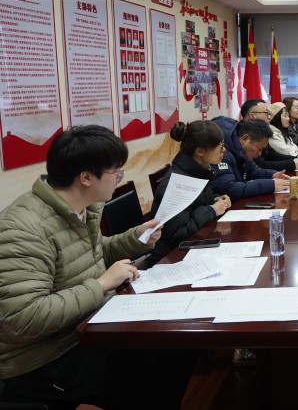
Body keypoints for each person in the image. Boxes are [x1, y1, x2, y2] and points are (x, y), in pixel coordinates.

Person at [0, 125, 196, 409]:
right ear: (86, 177)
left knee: (175, 343)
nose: (120, 177)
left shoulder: (80, 206)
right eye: (116, 172)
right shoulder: (24, 230)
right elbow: (22, 319)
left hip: (86, 328)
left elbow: (91, 253)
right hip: (45, 360)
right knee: (160, 364)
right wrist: (102, 284)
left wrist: (135, 238)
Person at [145, 120, 232, 267]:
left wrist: (216, 200)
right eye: (219, 145)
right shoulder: (176, 183)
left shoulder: (198, 170)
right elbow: (178, 234)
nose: (224, 150)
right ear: (200, 151)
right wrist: (212, 210)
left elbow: (196, 203)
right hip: (170, 259)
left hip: (193, 247)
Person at [211, 119, 292, 201]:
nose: (260, 154)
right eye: (259, 149)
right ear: (245, 139)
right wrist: (270, 185)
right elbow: (229, 189)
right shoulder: (222, 154)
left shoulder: (242, 151)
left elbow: (254, 171)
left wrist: (272, 175)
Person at [237, 100, 298, 172]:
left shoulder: (261, 131)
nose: (270, 117)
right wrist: (293, 163)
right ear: (252, 116)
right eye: (266, 113)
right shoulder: (243, 133)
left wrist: (297, 159)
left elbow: (272, 155)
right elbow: (260, 165)